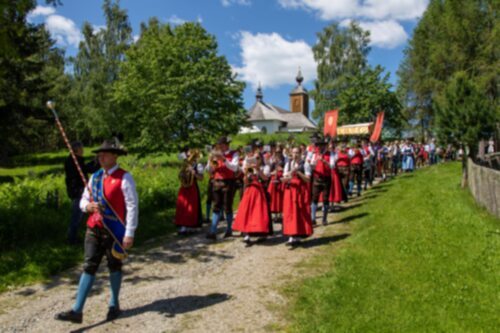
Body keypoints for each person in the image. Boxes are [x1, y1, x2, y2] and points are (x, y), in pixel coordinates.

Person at [56, 139, 138, 323]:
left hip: (114, 230)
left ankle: (114, 304)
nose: (100, 157)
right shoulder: (95, 177)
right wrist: (88, 206)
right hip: (94, 228)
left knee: (114, 266)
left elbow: (132, 206)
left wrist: (129, 233)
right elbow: (84, 200)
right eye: (99, 155)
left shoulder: (125, 177)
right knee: (89, 266)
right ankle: (77, 311)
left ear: (114, 156)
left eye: (104, 154)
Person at [232, 149, 272, 245]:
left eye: (258, 158)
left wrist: (258, 169)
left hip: (259, 192)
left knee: (258, 213)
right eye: (255, 158)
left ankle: (261, 232)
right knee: (247, 211)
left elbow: (265, 178)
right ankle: (247, 234)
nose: (256, 160)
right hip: (249, 192)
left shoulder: (265, 166)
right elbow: (245, 181)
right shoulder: (249, 168)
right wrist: (246, 172)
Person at [64, 141, 99, 245]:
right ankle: (71, 239)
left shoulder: (73, 160)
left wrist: (96, 160)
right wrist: (98, 161)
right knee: (77, 216)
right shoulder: (75, 161)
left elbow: (85, 168)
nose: (83, 150)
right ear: (77, 150)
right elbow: (89, 169)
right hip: (78, 191)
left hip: (75, 190)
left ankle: (75, 236)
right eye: (81, 148)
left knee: (78, 216)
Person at [206, 136, 239, 240]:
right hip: (216, 182)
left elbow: (234, 167)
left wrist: (224, 159)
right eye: (219, 145)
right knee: (216, 206)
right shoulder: (214, 155)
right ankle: (213, 231)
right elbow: (209, 170)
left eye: (222, 145)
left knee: (227, 207)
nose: (220, 147)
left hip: (229, 182)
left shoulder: (234, 154)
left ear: (227, 145)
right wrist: (210, 161)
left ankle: (229, 229)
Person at [282, 147, 313, 246]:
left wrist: (298, 172)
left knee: (300, 212)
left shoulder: (305, 164)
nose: (295, 155)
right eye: (293, 152)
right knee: (290, 212)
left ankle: (299, 234)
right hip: (290, 190)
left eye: (297, 153)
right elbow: (284, 178)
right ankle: (291, 235)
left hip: (300, 190)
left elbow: (308, 180)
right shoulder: (288, 164)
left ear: (300, 153)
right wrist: (288, 176)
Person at [174, 148, 204, 235]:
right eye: (188, 153)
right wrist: (182, 173)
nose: (188, 154)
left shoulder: (198, 164)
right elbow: (180, 175)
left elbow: (201, 178)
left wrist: (194, 173)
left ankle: (191, 226)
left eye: (190, 153)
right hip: (184, 187)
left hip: (192, 187)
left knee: (191, 207)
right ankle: (182, 225)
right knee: (182, 206)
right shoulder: (185, 164)